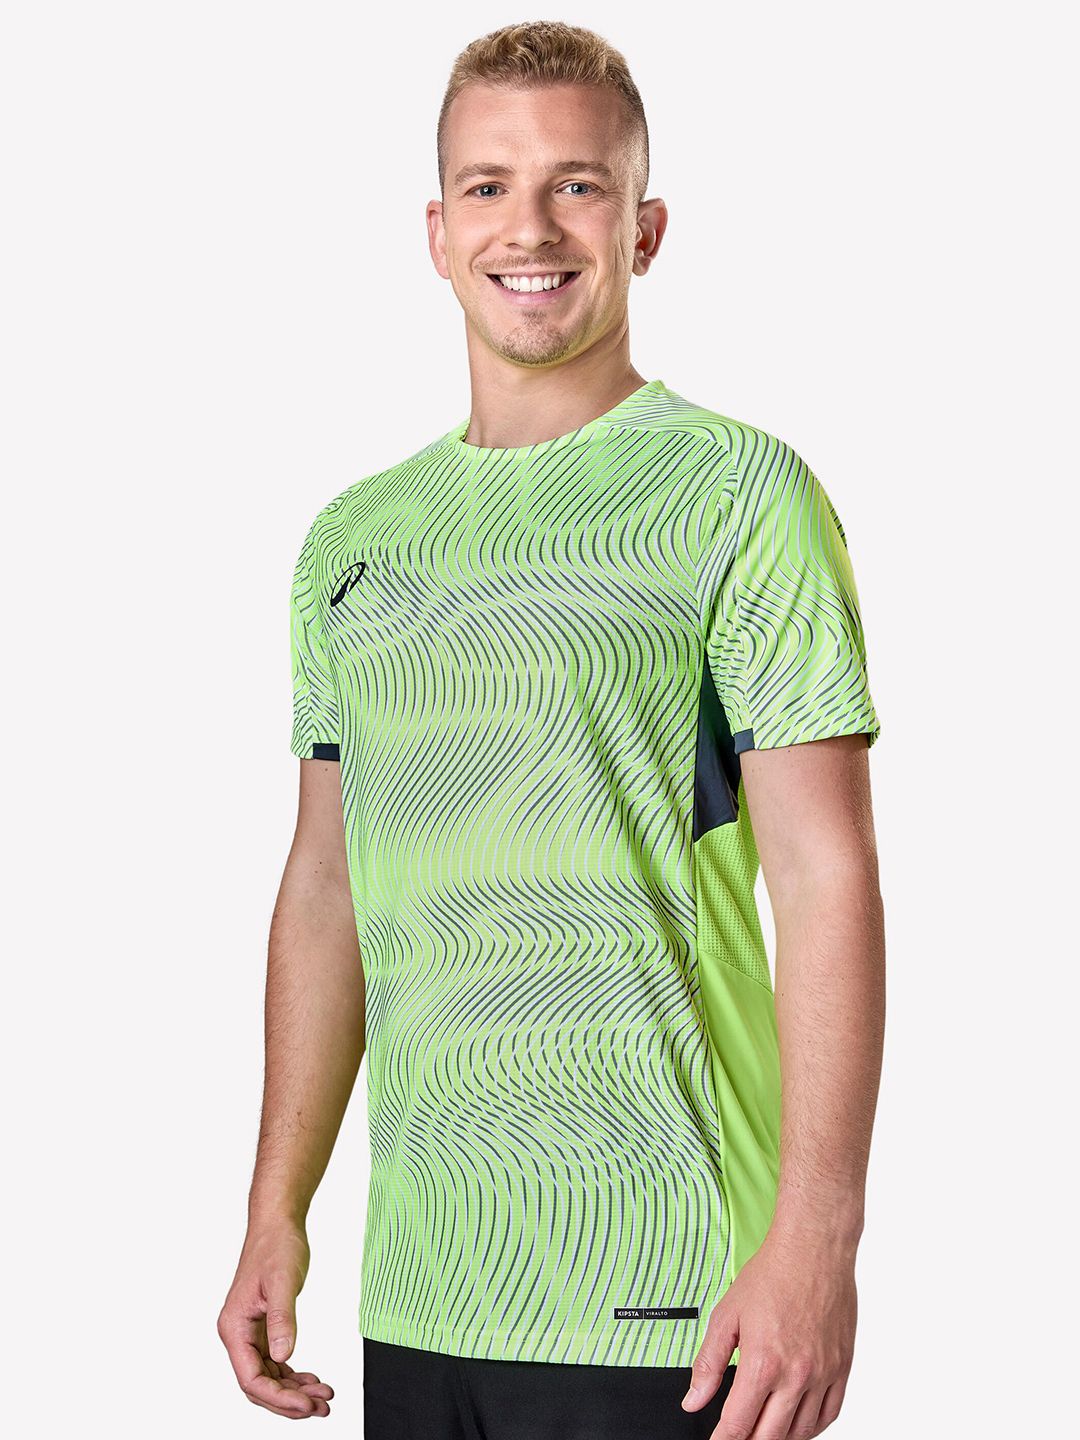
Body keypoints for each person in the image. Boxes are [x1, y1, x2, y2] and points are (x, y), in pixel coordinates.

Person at [217, 19, 886, 1439]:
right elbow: (326, 886)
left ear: (645, 230)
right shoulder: (353, 537)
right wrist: (277, 1207)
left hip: (676, 1284)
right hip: (422, 1283)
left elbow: (827, 876)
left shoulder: (737, 496)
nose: (529, 227)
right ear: (437, 233)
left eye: (577, 185)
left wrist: (817, 1247)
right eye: (488, 186)